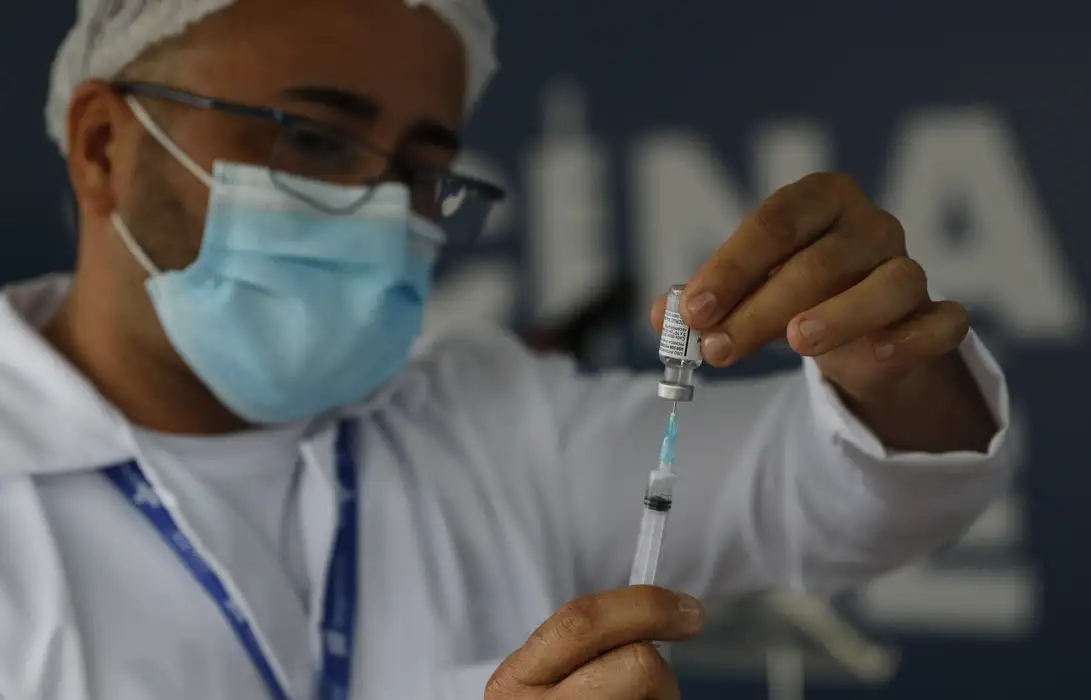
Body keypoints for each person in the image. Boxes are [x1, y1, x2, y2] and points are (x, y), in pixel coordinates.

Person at [0, 0, 1012, 698]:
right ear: (103, 148)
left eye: (424, 172)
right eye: (310, 138)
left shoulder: (484, 417)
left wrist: (882, 361)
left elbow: (838, 494)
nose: (378, 211)